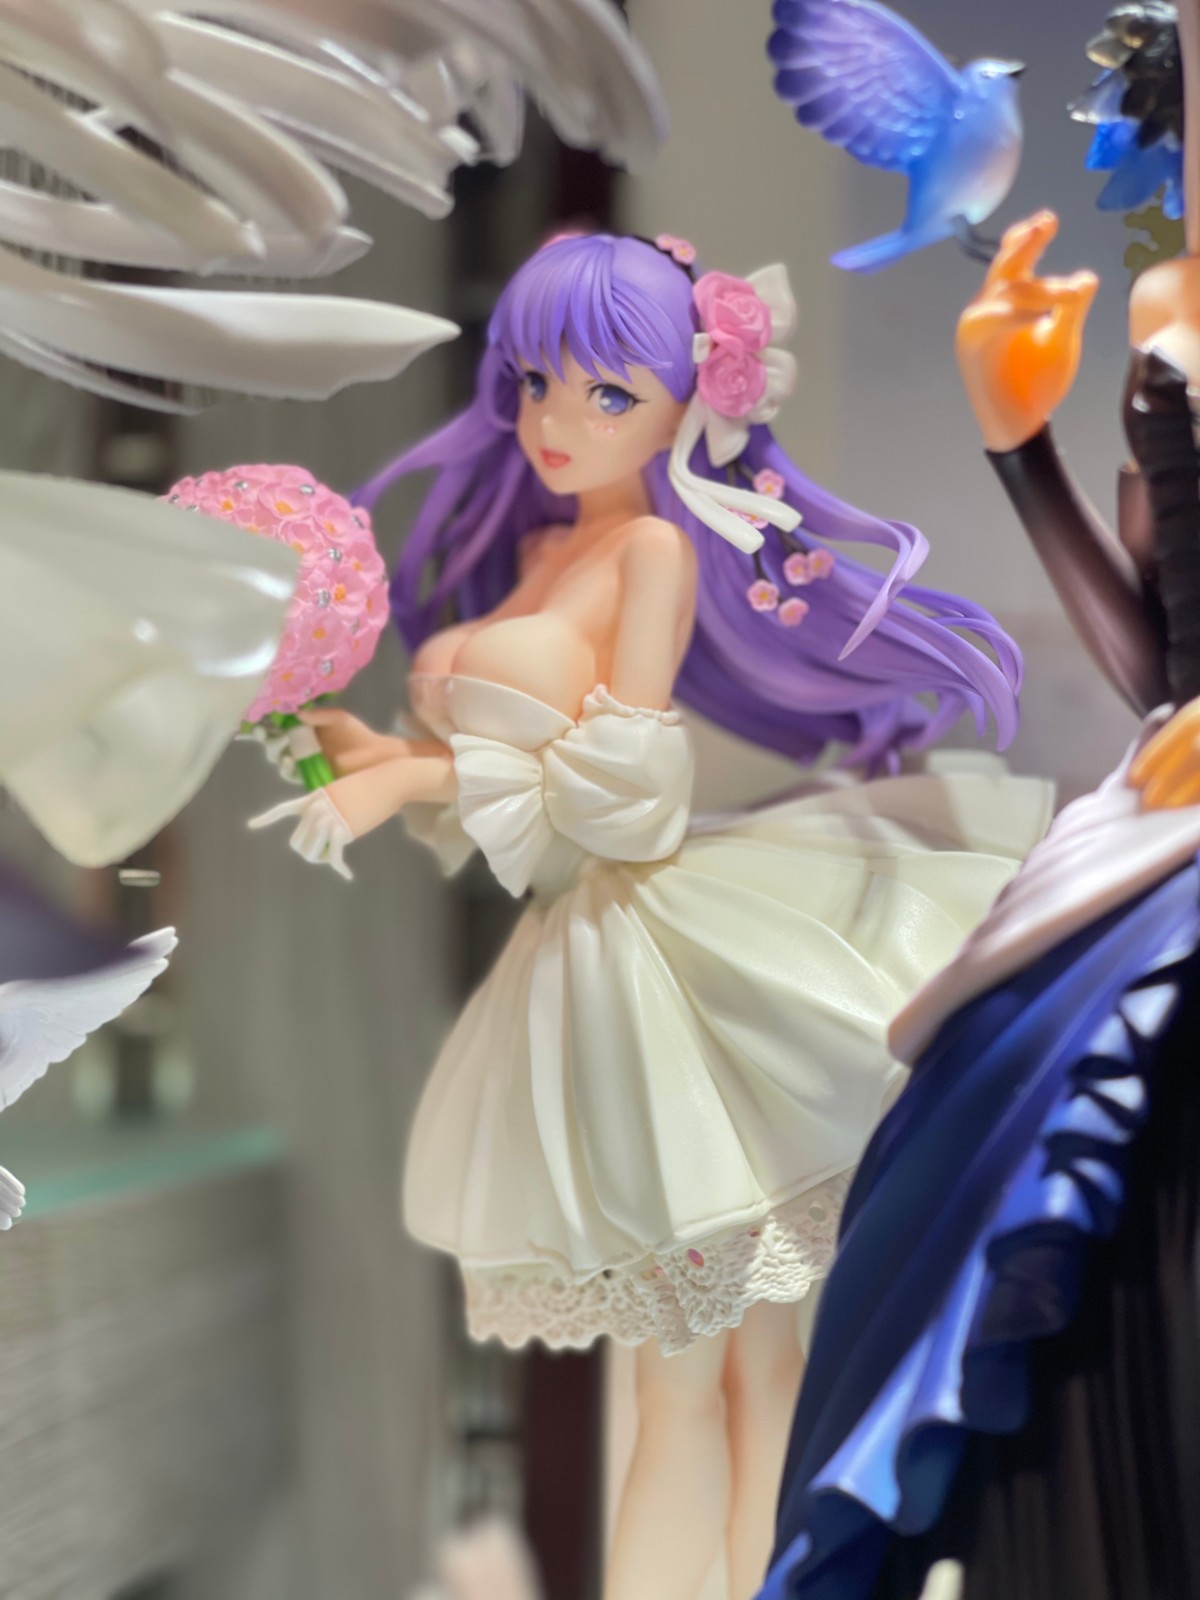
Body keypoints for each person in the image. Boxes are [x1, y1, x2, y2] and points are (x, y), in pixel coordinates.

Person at [250, 232, 1049, 1600]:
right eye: (537, 383)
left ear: (691, 399)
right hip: (582, 971)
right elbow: (494, 799)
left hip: (665, 972)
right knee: (710, 1368)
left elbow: (631, 796)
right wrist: (349, 749)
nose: (557, 421)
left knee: (718, 1375)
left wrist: (419, 780)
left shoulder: (654, 554)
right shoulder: (541, 545)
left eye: (607, 394)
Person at [762, 197, 1200, 1600]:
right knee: (1015, 1239)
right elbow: (1171, 669)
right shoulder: (1173, 311)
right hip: (1164, 850)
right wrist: (1020, 443)